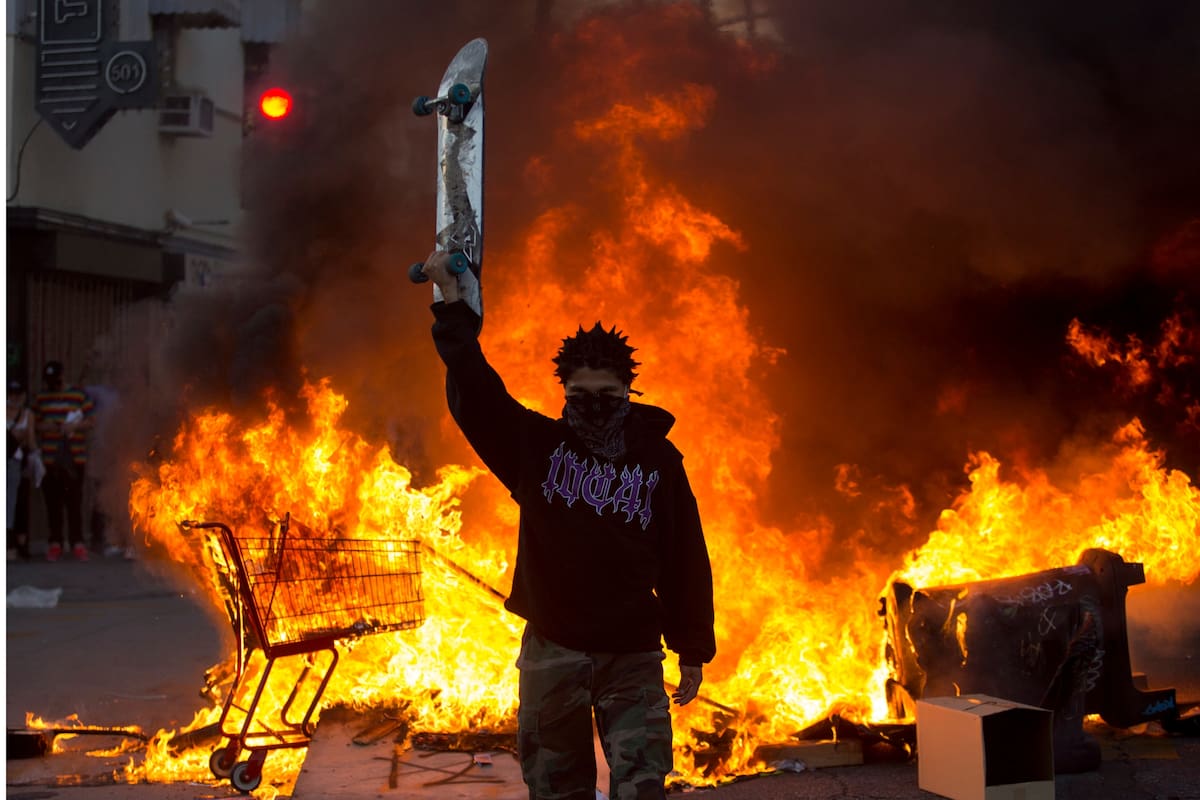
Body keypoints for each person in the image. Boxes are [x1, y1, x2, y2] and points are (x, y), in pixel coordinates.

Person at [422, 251, 716, 800]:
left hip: (632, 655)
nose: (595, 408)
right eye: (581, 397)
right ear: (564, 394)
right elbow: (478, 393)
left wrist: (692, 646)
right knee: (558, 790)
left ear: (629, 393)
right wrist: (452, 305)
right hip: (553, 651)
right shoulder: (536, 449)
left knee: (644, 787)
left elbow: (685, 557)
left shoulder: (659, 463)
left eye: (608, 397)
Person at [33, 360, 95, 562]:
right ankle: (55, 543)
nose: (51, 384)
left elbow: (92, 420)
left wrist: (75, 426)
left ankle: (77, 543)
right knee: (53, 504)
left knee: (74, 502)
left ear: (61, 377)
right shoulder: (41, 398)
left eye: (54, 380)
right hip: (50, 460)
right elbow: (33, 423)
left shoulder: (77, 395)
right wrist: (50, 426)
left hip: (75, 459)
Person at [7, 380, 38, 560]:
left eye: (18, 394)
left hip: (17, 462)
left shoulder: (27, 414)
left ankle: (17, 544)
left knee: (17, 504)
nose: (14, 398)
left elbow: (31, 439)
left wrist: (36, 457)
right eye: (11, 394)